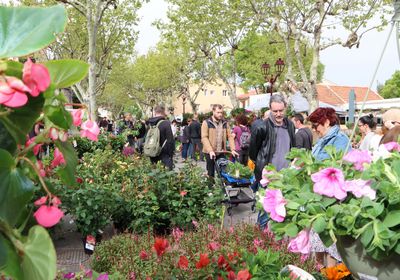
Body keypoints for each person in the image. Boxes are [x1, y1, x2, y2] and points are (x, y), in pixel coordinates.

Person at [308, 107, 351, 267]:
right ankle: (318, 272)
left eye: (315, 125)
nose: (314, 129)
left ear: (326, 122)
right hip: (320, 198)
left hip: (332, 200)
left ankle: (330, 275)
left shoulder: (340, 139)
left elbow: (341, 169)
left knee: (330, 244)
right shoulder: (324, 139)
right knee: (318, 241)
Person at [249, 94, 296, 182]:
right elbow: (253, 152)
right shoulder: (261, 127)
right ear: (270, 109)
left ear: (285, 107)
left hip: (286, 175)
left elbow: (293, 147)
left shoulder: (290, 125)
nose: (278, 114)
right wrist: (261, 165)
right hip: (268, 176)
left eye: (281, 110)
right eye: (275, 111)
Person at [201, 104, 238, 177]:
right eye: (218, 112)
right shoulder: (207, 122)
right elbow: (204, 137)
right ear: (213, 111)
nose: (220, 114)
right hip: (210, 152)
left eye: (221, 112)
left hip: (221, 151)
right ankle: (211, 187)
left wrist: (233, 149)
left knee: (223, 172)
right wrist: (210, 150)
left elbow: (230, 137)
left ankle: (222, 187)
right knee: (211, 173)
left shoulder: (225, 123)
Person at [146, 105, 175, 170]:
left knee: (155, 174)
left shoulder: (150, 124)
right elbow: (170, 140)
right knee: (166, 175)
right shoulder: (166, 123)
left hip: (152, 152)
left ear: (155, 112)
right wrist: (171, 154)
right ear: (163, 112)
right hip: (164, 154)